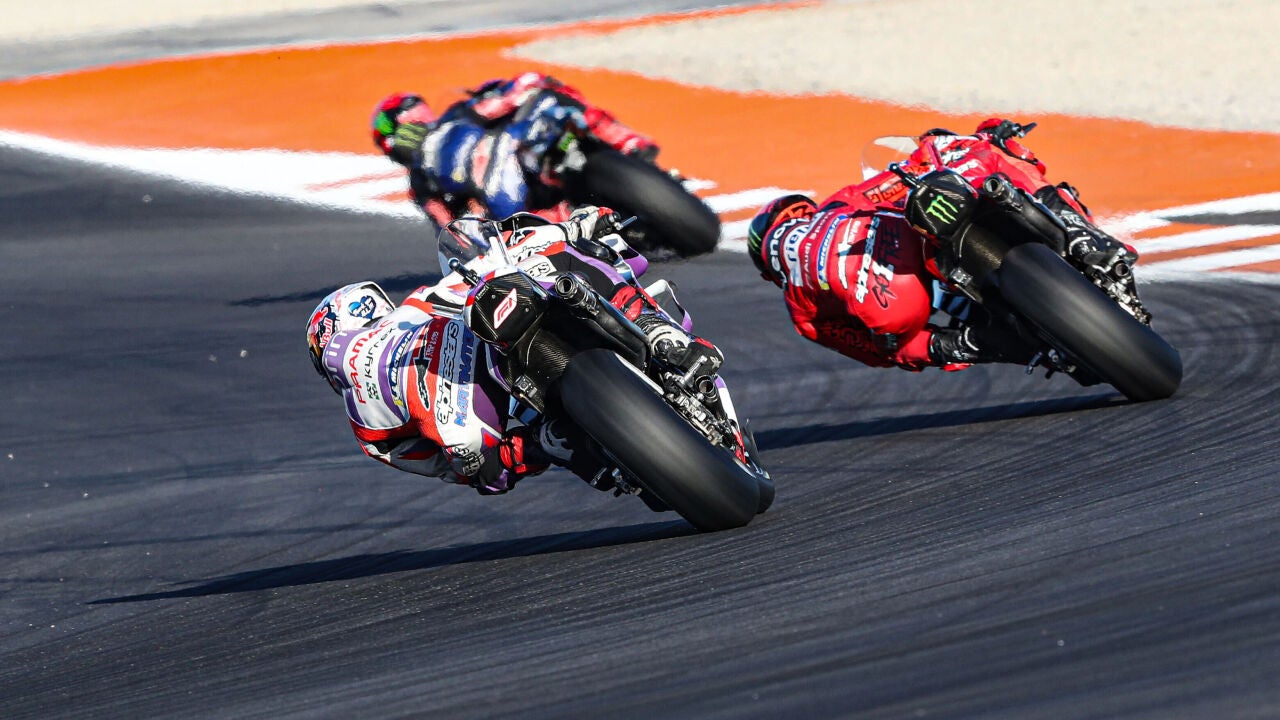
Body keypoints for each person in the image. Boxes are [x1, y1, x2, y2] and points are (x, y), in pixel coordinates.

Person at [306, 206, 716, 496]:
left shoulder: (366, 427)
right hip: (489, 388)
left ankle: (564, 442)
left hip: (480, 424)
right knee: (554, 260)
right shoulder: (414, 307)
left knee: (520, 453)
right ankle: (656, 332)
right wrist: (578, 227)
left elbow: (468, 474)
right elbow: (497, 257)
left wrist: (510, 457)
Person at [745, 118, 1143, 371]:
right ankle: (1088, 243)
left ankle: (1012, 346)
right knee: (986, 154)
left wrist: (952, 347)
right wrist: (981, 136)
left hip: (895, 309)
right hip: (905, 252)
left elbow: (879, 353)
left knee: (906, 342)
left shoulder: (802, 311)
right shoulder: (832, 209)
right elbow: (902, 175)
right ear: (798, 212)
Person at [371, 71, 659, 230]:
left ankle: (627, 142)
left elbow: (515, 92)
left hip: (527, 147)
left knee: (552, 94)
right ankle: (572, 220)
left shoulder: (458, 114)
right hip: (521, 208)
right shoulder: (422, 183)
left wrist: (515, 90)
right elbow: (452, 230)